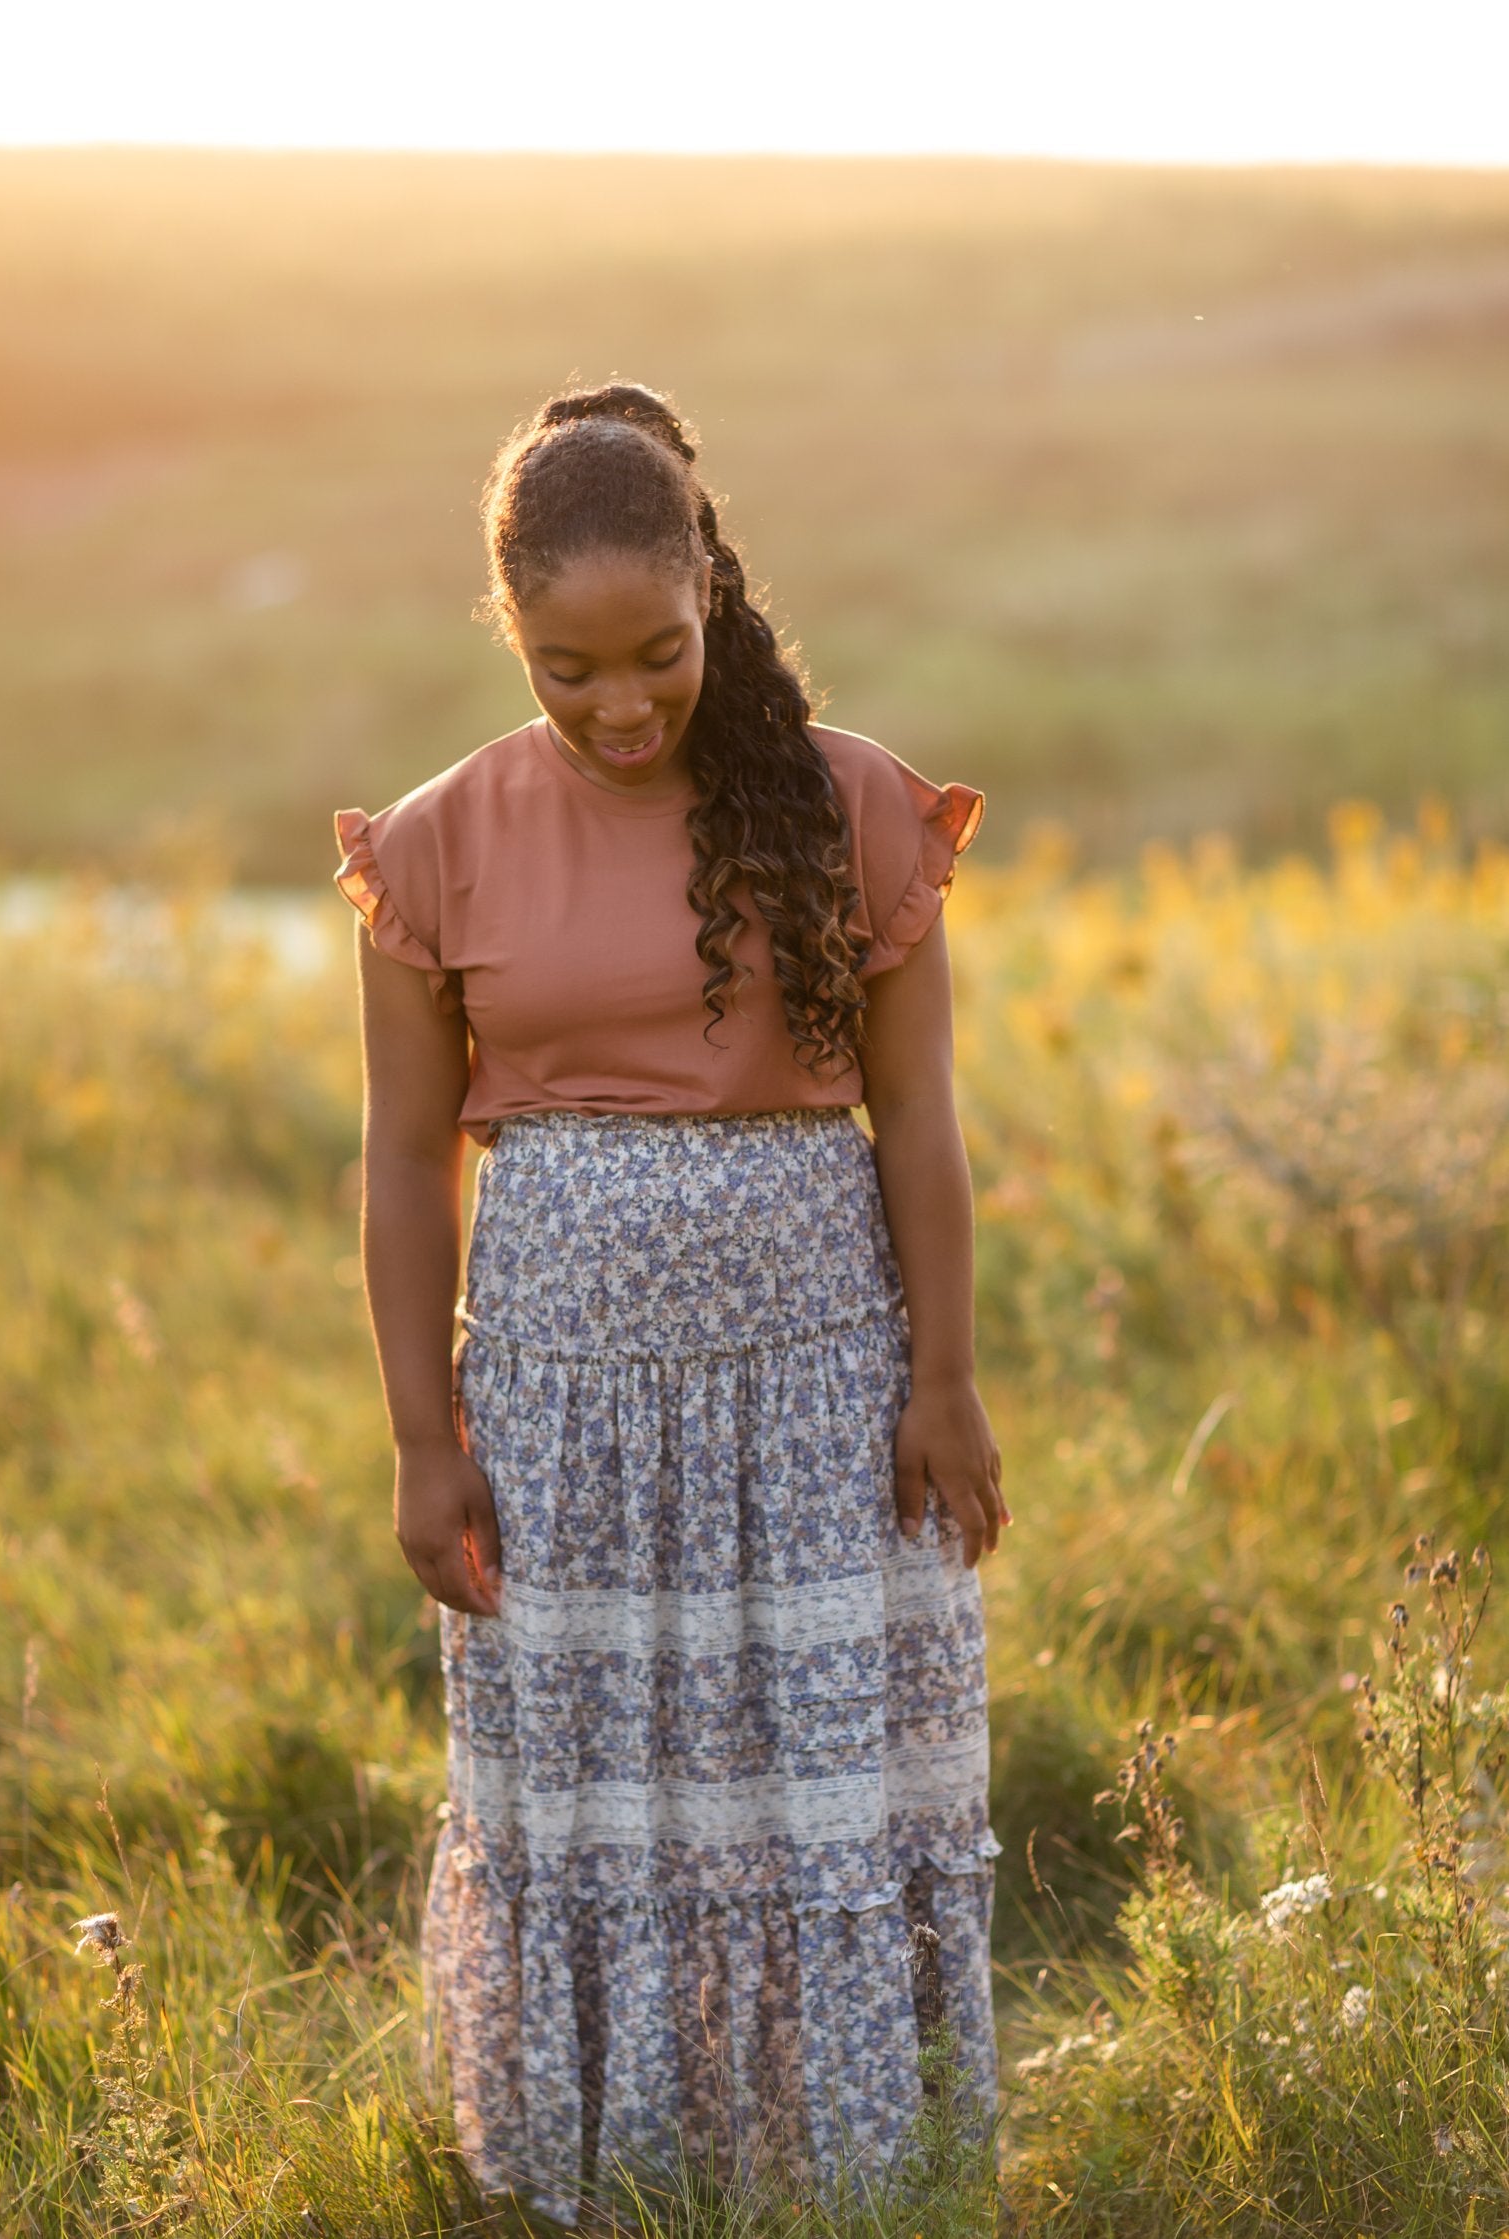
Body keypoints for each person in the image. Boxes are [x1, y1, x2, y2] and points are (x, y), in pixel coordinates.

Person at [332, 383, 1010, 2221]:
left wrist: (941, 1377)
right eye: (568, 671)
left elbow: (920, 1118)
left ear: (714, 590)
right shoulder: (436, 842)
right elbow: (406, 1164)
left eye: (659, 655)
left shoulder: (848, 804)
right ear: (510, 635)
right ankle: (613, 2172)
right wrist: (423, 1435)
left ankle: (851, 2169)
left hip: (814, 1391)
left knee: (822, 1784)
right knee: (595, 1798)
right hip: (556, 1415)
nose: (620, 708)